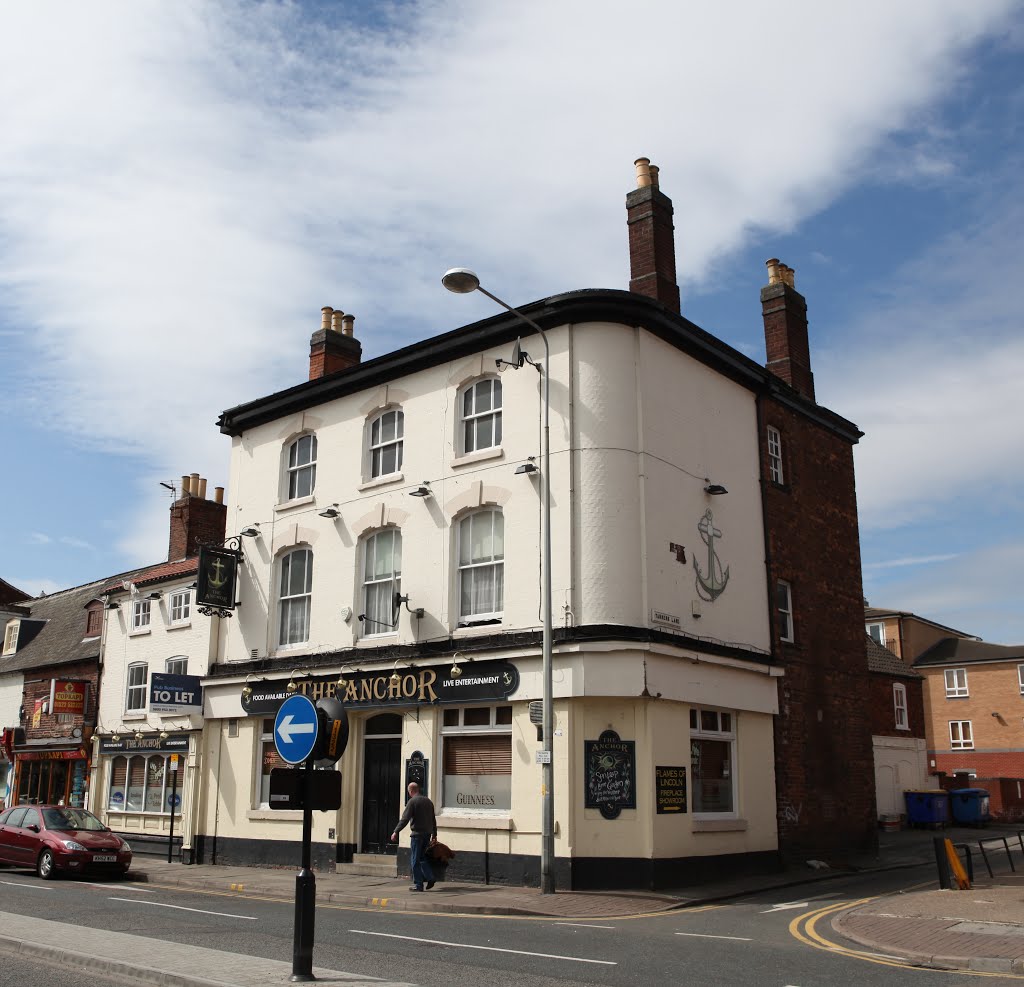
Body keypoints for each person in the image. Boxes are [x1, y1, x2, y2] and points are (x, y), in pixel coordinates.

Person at [391, 781, 437, 891]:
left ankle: (418, 885)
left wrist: (396, 831)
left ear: (411, 791)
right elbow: (433, 820)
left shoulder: (412, 802)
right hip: (427, 834)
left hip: (417, 835)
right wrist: (434, 834)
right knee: (422, 858)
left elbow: (405, 819)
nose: (409, 794)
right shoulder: (428, 802)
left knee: (415, 860)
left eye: (409, 792)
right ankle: (430, 878)